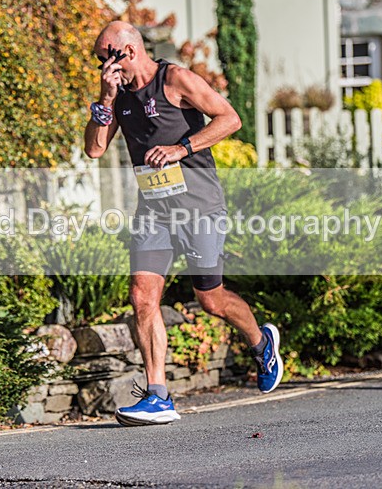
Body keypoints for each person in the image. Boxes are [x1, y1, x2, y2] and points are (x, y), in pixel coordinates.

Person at [84, 21, 282, 426]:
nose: (103, 66)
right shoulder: (117, 96)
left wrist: (182, 148)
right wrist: (105, 97)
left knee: (210, 299)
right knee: (142, 295)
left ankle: (261, 342)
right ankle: (158, 395)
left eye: (106, 58)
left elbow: (230, 118)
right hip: (153, 210)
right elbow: (94, 148)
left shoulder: (175, 80)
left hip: (198, 206)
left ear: (129, 51)